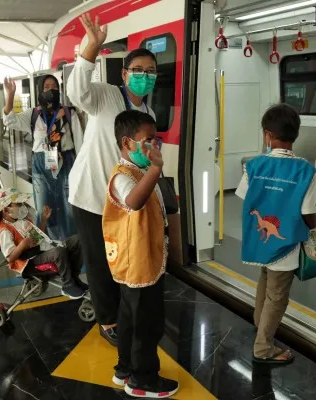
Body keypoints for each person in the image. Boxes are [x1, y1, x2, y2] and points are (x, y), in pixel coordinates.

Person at [66, 12, 158, 346]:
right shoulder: (104, 96)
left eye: (150, 72)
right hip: (92, 195)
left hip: (124, 198)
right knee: (100, 259)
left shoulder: (149, 115)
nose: (144, 77)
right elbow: (77, 92)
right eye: (138, 70)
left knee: (120, 254)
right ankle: (107, 320)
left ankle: (120, 309)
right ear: (124, 73)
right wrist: (91, 48)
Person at [235, 104, 316, 365]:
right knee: (277, 295)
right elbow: (307, 212)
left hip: (260, 242)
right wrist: (315, 227)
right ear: (295, 135)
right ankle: (264, 347)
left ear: (267, 135)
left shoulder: (254, 165)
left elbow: (243, 196)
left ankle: (260, 323)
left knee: (264, 279)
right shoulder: (306, 170)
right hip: (286, 245)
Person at [102, 110, 177, 398]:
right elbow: (133, 202)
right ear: (127, 143)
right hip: (138, 263)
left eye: (156, 140)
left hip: (140, 259)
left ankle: (125, 369)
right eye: (148, 141)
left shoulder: (139, 170)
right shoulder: (122, 176)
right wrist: (156, 170)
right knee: (147, 323)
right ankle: (143, 380)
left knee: (131, 320)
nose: (154, 147)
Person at [2, 74, 83, 240]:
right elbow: (9, 121)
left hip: (66, 161)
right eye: (46, 87)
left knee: (68, 204)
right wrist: (10, 95)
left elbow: (81, 143)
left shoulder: (69, 113)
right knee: (44, 205)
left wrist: (82, 169)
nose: (51, 90)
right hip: (41, 162)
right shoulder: (33, 114)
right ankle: (47, 244)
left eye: (54, 86)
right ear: (40, 90)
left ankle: (72, 244)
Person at [0, 187, 87, 299]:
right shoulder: (5, 231)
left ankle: (74, 278)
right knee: (58, 252)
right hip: (29, 261)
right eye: (18, 204)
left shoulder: (23, 220)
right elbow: (10, 258)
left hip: (42, 249)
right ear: (6, 210)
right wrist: (22, 245)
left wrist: (43, 220)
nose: (22, 206)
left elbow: (37, 236)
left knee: (78, 239)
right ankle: (68, 285)